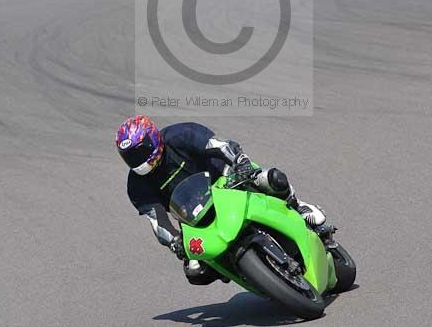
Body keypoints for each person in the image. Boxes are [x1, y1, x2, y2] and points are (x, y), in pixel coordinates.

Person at [116, 115, 333, 285]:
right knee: (195, 271)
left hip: (228, 180)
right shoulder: (136, 186)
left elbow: (218, 146)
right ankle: (248, 273)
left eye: (141, 152)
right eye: (131, 157)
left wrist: (240, 161)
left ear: (153, 139)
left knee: (270, 179)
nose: (139, 161)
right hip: (195, 216)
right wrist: (174, 242)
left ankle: (298, 206)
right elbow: (157, 221)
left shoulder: (181, 134)